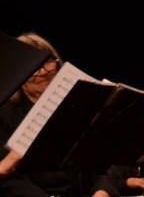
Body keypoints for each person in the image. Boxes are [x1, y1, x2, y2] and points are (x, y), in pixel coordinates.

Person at [0, 32, 91, 196]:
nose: (42, 72)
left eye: (47, 62)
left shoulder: (77, 103)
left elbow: (99, 159)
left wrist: (102, 191)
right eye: (33, 68)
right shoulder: (4, 113)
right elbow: (9, 179)